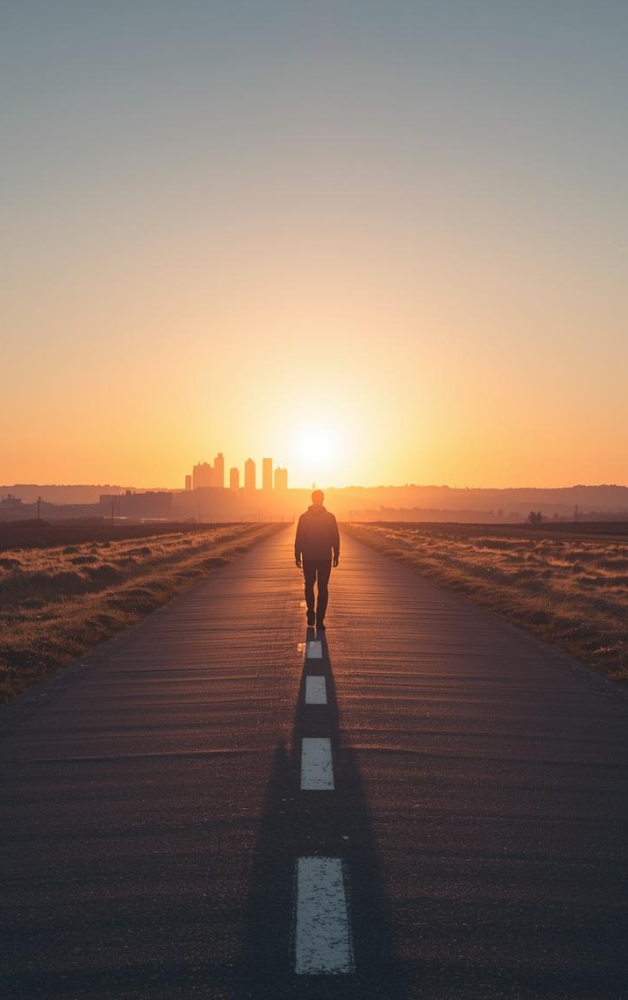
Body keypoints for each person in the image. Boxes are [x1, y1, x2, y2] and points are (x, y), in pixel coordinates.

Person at [294, 489, 340, 630]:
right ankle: (320, 619)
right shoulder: (330, 517)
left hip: (309, 557)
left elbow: (299, 538)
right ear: (323, 499)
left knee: (309, 585)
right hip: (324, 557)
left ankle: (311, 612)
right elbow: (335, 537)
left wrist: (297, 554)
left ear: (313, 499)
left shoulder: (304, 517)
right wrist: (336, 554)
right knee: (322, 587)